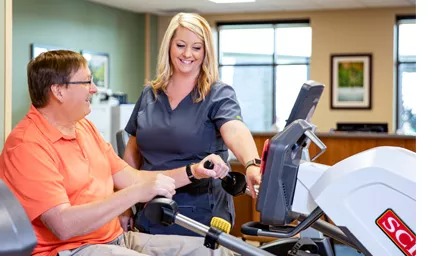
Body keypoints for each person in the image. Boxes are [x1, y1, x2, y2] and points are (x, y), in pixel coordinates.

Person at [0, 50, 234, 256]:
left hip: (116, 239)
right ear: (59, 91)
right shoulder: (27, 145)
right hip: (70, 249)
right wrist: (134, 194)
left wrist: (194, 172)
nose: (94, 89)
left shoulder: (83, 127)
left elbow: (133, 178)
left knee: (215, 252)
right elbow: (63, 225)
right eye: (86, 82)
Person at [124, 12, 262, 236]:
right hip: (150, 207)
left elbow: (235, 129)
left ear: (206, 51)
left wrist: (252, 164)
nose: (188, 54)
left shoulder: (217, 93)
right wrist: (123, 204)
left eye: (197, 47)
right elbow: (132, 151)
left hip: (200, 212)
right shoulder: (150, 94)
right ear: (169, 45)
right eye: (180, 45)